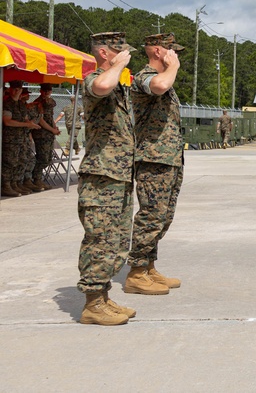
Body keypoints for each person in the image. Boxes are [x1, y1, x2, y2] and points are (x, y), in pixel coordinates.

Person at [76, 31, 137, 325]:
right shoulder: (94, 79)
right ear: (104, 52)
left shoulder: (118, 85)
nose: (126, 55)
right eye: (120, 50)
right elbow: (101, 85)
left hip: (119, 175)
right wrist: (118, 66)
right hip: (101, 176)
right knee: (100, 239)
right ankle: (91, 304)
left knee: (115, 241)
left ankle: (102, 297)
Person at [126, 32, 185, 296]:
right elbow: (159, 86)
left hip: (169, 158)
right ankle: (136, 273)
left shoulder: (166, 80)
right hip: (152, 158)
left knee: (164, 216)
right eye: (173, 52)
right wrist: (172, 67)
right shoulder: (143, 77)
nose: (176, 57)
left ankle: (148, 267)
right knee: (151, 215)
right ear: (159, 51)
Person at [2, 81, 41, 197]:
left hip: (22, 138)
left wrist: (31, 124)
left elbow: (25, 119)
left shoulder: (21, 105)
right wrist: (26, 125)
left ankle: (16, 183)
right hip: (11, 139)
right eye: (14, 88)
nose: (16, 91)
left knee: (22, 160)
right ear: (9, 90)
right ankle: (6, 185)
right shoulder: (7, 104)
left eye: (18, 89)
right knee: (10, 162)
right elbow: (7, 121)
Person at [30, 84, 62, 190]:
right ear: (40, 91)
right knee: (42, 158)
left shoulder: (50, 102)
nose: (47, 92)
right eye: (45, 90)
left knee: (48, 159)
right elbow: (41, 120)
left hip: (48, 134)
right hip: (41, 134)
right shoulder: (38, 103)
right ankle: (35, 179)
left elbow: (50, 117)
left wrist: (54, 127)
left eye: (49, 90)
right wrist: (52, 130)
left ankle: (37, 178)